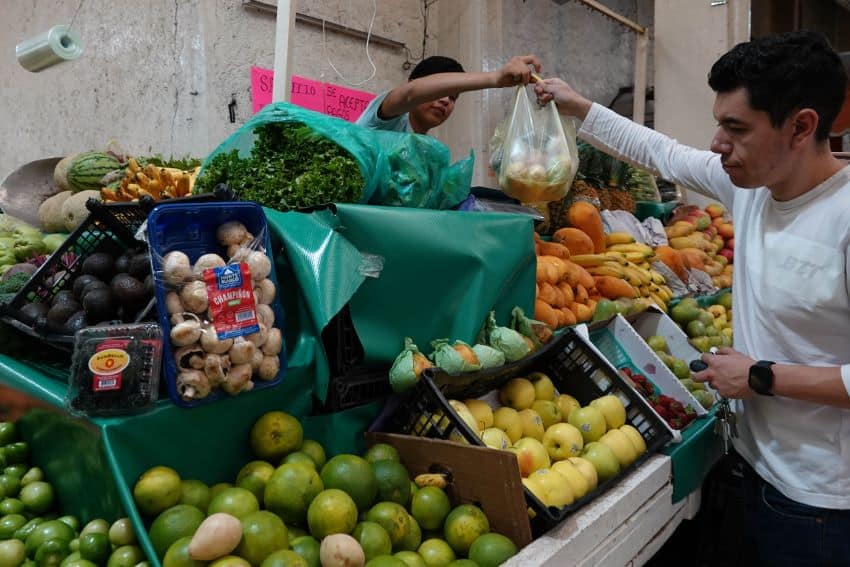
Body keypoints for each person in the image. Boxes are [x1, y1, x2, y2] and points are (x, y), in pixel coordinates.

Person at [535, 30, 850, 566]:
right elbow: (662, 151)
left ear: (801, 127)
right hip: (750, 465)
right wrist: (576, 105)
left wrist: (760, 376)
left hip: (819, 503)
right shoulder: (752, 188)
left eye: (736, 128)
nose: (716, 144)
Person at [357, 54, 541, 135]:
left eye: (453, 97)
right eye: (442, 92)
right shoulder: (387, 116)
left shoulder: (427, 151)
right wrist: (496, 78)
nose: (445, 100)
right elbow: (409, 94)